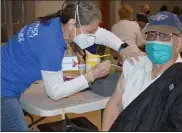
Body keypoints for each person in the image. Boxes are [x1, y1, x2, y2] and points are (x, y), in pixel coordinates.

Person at [1, 0, 143, 131]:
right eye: (90, 32)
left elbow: (102, 34)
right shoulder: (51, 43)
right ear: (71, 24)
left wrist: (123, 47)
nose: (93, 36)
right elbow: (55, 92)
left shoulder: (56, 23)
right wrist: (92, 75)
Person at [102, 11, 182, 131]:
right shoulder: (133, 64)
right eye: (151, 35)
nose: (156, 41)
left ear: (179, 44)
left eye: (165, 36)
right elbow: (115, 104)